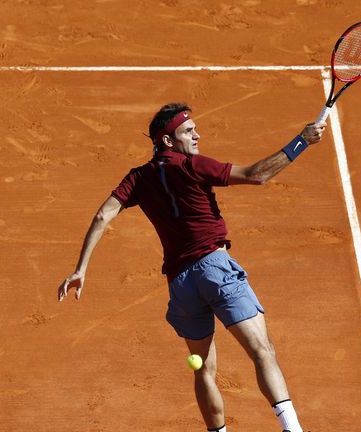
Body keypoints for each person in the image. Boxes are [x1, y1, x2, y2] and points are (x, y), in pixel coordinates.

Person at [57, 102, 326, 432]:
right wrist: (301, 141)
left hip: (180, 285)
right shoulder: (192, 166)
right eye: (188, 131)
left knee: (203, 369)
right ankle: (293, 430)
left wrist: (81, 268)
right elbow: (258, 175)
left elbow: (102, 216)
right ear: (169, 141)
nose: (197, 135)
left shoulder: (138, 178)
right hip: (216, 270)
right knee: (262, 351)